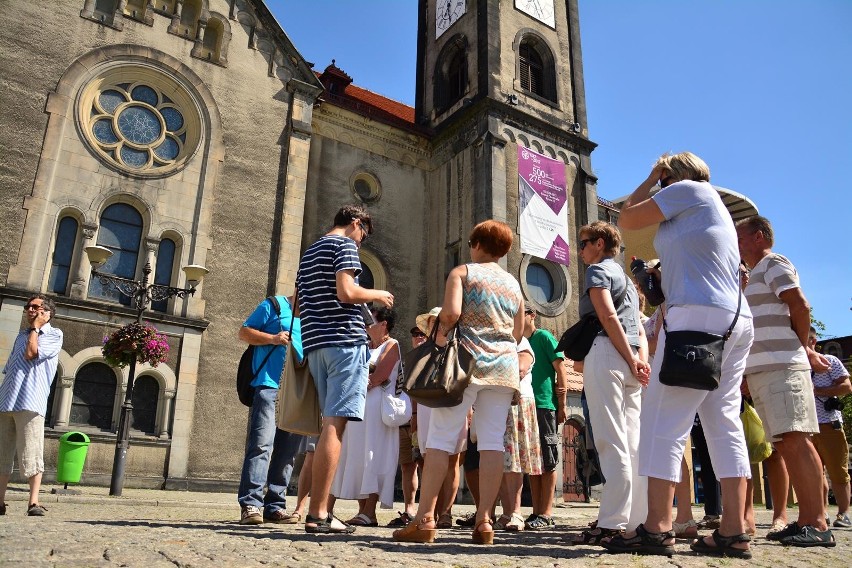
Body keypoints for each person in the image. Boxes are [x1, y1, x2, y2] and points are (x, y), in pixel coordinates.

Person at [606, 152, 754, 558]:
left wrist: (652, 174)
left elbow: (626, 218)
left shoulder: (686, 191)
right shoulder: (709, 206)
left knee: (662, 420)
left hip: (696, 318)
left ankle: (656, 527)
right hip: (733, 318)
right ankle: (734, 529)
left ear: (673, 176)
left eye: (663, 178)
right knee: (723, 422)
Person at [393, 220, 524, 545]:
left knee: (439, 439)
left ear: (477, 244)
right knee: (493, 441)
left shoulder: (463, 273)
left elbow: (450, 314)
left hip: (464, 361)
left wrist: (441, 334)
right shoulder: (513, 285)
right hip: (503, 366)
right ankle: (484, 522)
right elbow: (519, 330)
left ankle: (424, 519)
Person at [736, 214, 835, 547]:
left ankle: (818, 523)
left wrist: (804, 347)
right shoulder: (755, 275)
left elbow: (799, 304)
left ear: (761, 236)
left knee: (795, 439)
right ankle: (806, 519)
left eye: (741, 236)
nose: (737, 242)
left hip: (783, 365)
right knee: (785, 442)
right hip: (766, 369)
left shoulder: (775, 263)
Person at [296, 204, 394, 534]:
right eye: (363, 233)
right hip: (344, 343)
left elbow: (297, 304)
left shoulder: (310, 251)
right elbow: (347, 291)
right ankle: (320, 513)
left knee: (327, 424)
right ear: (355, 224)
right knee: (335, 427)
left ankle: (318, 509)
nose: (362, 241)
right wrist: (378, 293)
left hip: (316, 345)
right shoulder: (344, 246)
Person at [569, 221, 650, 545]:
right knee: (632, 443)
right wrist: (638, 361)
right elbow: (637, 327)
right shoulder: (628, 282)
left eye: (585, 243)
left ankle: (612, 521)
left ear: (600, 243)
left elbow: (607, 316)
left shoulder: (598, 271)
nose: (581, 249)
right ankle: (635, 519)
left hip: (608, 353)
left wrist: (631, 361)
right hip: (630, 358)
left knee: (610, 439)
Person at [236, 294, 304, 525]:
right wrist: (272, 338)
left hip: (297, 393)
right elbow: (244, 332)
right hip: (268, 385)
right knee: (261, 445)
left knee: (287, 452)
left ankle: (275, 505)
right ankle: (251, 503)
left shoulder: (315, 317)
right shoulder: (274, 305)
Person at [331, 307, 401, 526]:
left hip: (377, 411)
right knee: (360, 456)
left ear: (384, 325)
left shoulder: (392, 345)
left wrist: (354, 385)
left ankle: (370, 512)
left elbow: (379, 376)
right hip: (360, 408)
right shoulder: (364, 345)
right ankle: (364, 511)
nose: (365, 325)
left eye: (370, 322)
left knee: (373, 456)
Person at [0, 295, 63, 517]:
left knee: (31, 453)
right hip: (7, 400)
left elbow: (31, 354)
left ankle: (33, 502)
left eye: (36, 307)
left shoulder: (54, 335)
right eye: (28, 307)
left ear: (47, 313)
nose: (30, 310)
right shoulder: (20, 335)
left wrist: (36, 328)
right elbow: (8, 369)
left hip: (31, 400)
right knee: (2, 453)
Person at [413, 307, 467, 529]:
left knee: (453, 460)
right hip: (427, 407)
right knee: (429, 458)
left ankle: (446, 512)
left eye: (440, 321)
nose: (438, 325)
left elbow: (465, 382)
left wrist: (469, 411)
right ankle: (430, 511)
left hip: (454, 404)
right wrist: (415, 415)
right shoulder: (424, 350)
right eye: (434, 322)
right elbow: (416, 383)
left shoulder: (459, 347)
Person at [523, 306, 568, 529]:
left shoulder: (544, 337)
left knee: (548, 460)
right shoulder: (520, 343)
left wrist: (562, 405)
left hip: (545, 405)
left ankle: (547, 512)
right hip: (527, 406)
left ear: (532, 316)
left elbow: (561, 370)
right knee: (533, 462)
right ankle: (536, 511)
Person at [494, 335, 541, 532]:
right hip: (497, 402)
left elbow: (521, 368)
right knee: (502, 461)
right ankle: (506, 513)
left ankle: (516, 512)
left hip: (517, 401)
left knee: (514, 461)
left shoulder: (520, 341)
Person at [808, 326, 851, 528]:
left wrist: (819, 390)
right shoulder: (794, 364)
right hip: (805, 426)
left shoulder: (830, 361)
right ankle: (821, 512)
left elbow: (846, 386)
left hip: (828, 422)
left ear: (813, 342)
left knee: (837, 470)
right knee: (814, 472)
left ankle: (843, 513)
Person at [387, 326, 427, 528]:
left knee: (424, 464)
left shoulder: (429, 359)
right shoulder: (404, 361)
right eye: (414, 334)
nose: (418, 337)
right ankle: (409, 508)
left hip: (421, 418)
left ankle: (428, 511)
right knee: (407, 465)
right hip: (404, 419)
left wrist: (416, 415)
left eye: (422, 334)